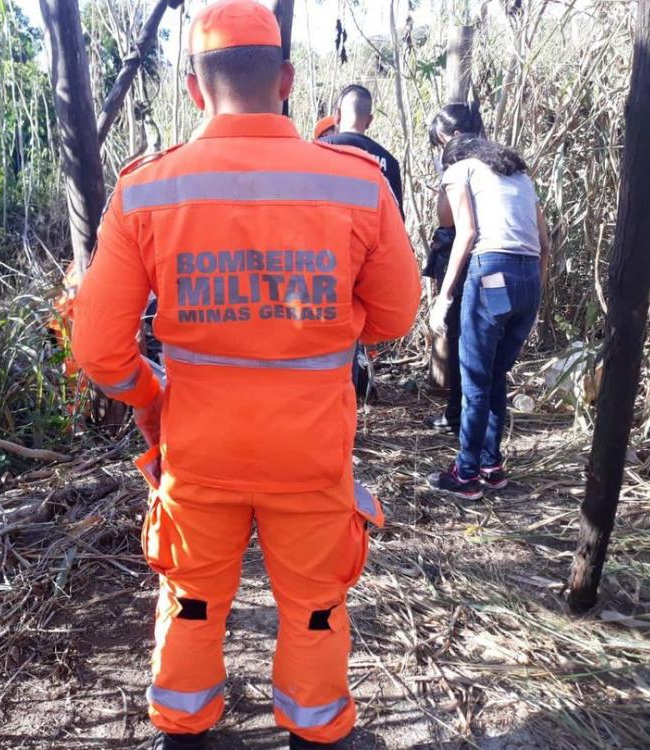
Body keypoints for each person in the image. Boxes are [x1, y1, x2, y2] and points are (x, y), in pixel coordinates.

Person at [70, 2, 421, 748]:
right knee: (315, 609)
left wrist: (151, 397)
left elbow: (99, 350)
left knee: (193, 602)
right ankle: (315, 731)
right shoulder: (357, 184)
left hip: (200, 451)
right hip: (311, 452)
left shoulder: (147, 190)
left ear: (195, 89)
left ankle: (184, 729)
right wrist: (331, 320)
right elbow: (394, 318)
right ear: (286, 81)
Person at [426, 134, 550, 500]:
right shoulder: (520, 176)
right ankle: (490, 466)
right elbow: (545, 244)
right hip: (529, 277)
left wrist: (444, 296)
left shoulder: (459, 170)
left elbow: (463, 232)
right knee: (495, 375)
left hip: (492, 271)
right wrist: (533, 294)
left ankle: (466, 473)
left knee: (476, 380)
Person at [422, 102, 484, 434]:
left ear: (457, 135)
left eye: (442, 142)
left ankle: (459, 413)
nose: (440, 150)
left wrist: (444, 182)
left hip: (467, 257)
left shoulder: (460, 169)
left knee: (461, 337)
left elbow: (448, 220)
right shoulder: (495, 162)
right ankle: (466, 414)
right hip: (489, 259)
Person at [323, 84, 403, 215]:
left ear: (337, 115)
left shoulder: (321, 149)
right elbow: (397, 218)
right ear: (369, 120)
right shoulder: (389, 163)